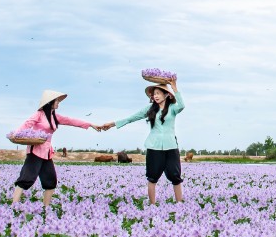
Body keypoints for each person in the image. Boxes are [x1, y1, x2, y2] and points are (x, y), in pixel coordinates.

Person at [99, 77, 184, 205]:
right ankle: (152, 205)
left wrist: (174, 87)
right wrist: (112, 124)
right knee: (152, 177)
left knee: (175, 176)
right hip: (154, 147)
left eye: (158, 93)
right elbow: (132, 118)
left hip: (171, 146)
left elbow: (182, 105)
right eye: (154, 94)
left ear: (166, 95)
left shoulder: (172, 108)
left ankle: (179, 205)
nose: (155, 96)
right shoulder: (150, 109)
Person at [12, 89, 94, 208]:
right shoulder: (39, 114)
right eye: (56, 101)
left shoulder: (54, 116)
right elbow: (27, 124)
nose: (58, 103)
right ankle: (14, 205)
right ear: (50, 102)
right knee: (26, 178)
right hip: (35, 151)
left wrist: (91, 125)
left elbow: (71, 121)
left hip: (47, 153)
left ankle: (46, 208)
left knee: (50, 181)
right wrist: (16, 134)